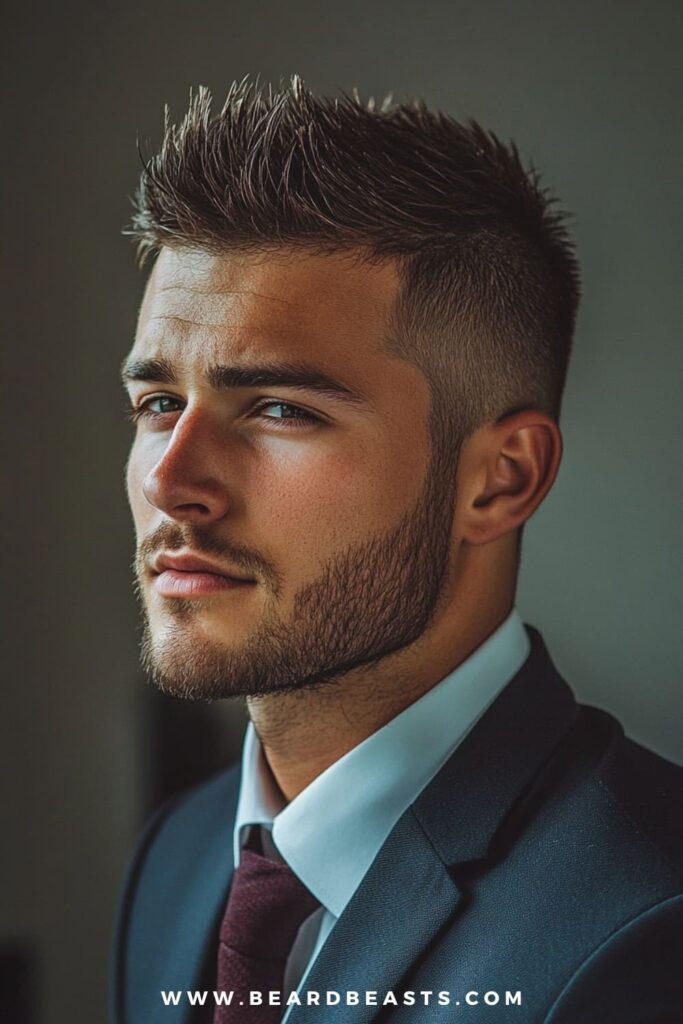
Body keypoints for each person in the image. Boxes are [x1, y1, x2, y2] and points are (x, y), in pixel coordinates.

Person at [111, 77, 683, 1024]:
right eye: (159, 403)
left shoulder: (646, 929)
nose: (170, 482)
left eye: (281, 409)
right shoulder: (174, 857)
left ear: (499, 478)